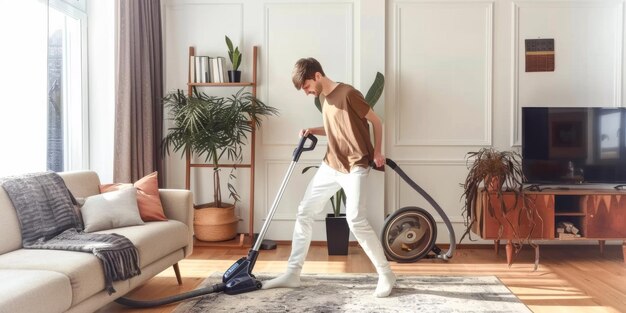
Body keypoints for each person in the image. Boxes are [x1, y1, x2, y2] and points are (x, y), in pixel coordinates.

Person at [261, 58, 396, 297]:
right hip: (331, 164)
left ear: (317, 76)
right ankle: (293, 273)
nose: (307, 92)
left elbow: (376, 121)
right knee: (304, 212)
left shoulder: (349, 93)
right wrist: (314, 130)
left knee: (355, 219)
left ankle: (386, 274)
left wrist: (377, 152)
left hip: (355, 166)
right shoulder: (323, 98)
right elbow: (336, 127)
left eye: (306, 87)